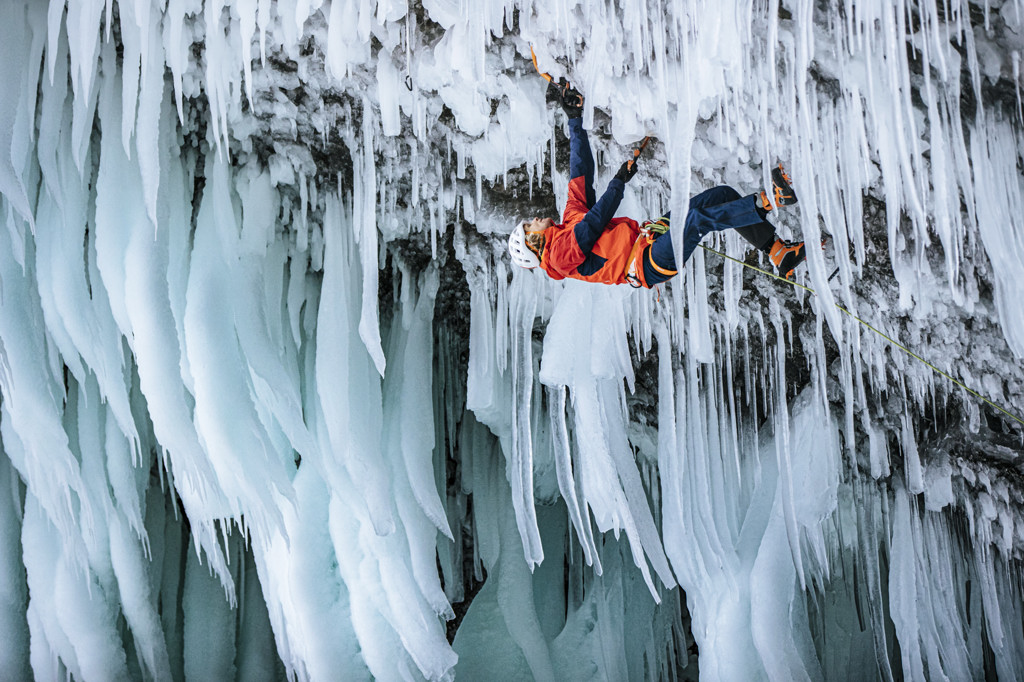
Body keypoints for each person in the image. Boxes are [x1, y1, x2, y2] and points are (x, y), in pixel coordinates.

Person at [507, 88, 808, 287]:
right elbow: (592, 227)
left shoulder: (567, 222)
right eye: (528, 226)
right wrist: (618, 184)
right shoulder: (558, 257)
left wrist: (574, 119)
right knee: (693, 221)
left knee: (720, 196)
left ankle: (779, 252)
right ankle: (771, 200)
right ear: (533, 242)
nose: (533, 219)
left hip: (650, 237)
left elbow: (580, 172)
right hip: (648, 263)